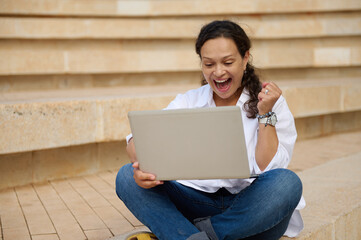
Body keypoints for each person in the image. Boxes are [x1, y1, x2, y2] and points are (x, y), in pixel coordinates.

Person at [116, 20, 305, 240]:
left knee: (287, 183)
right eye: (208, 64)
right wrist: (143, 170)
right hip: (195, 201)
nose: (218, 72)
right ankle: (200, 236)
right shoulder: (190, 101)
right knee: (126, 177)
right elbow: (136, 140)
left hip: (250, 210)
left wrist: (264, 114)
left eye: (227, 62)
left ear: (245, 58)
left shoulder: (271, 102)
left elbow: (269, 167)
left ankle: (187, 235)